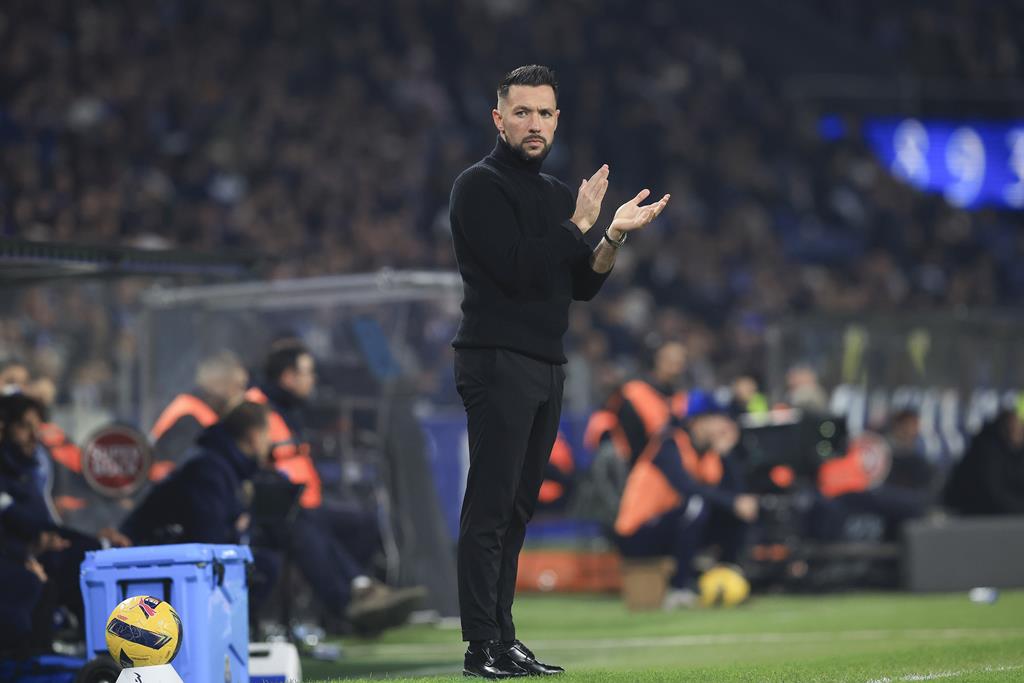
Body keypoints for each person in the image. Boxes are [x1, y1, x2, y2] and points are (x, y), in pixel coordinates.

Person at [449, 64, 669, 678]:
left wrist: (612, 236)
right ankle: (479, 644)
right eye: (522, 112)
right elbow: (517, 268)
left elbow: (581, 285)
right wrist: (579, 224)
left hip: (546, 363)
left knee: (518, 508)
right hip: (496, 359)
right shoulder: (478, 186)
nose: (535, 124)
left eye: (544, 113)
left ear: (557, 119)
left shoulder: (555, 195)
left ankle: (504, 636)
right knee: (491, 506)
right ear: (499, 119)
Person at [247, 341, 425, 634]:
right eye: (308, 372)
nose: (313, 379)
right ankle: (347, 606)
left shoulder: (289, 409)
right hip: (273, 511)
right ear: (288, 377)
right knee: (307, 530)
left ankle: (361, 589)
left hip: (307, 502)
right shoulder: (255, 410)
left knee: (362, 522)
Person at [614, 403, 757, 609]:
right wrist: (732, 502)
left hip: (675, 526)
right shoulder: (669, 445)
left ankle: (727, 575)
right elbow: (686, 487)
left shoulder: (710, 455)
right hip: (638, 531)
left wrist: (727, 455)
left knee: (735, 511)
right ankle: (679, 588)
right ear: (696, 422)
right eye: (715, 419)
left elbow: (733, 494)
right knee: (696, 504)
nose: (722, 427)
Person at [149, 350, 249, 481]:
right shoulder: (190, 419)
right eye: (239, 387)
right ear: (219, 385)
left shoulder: (197, 409)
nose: (244, 395)